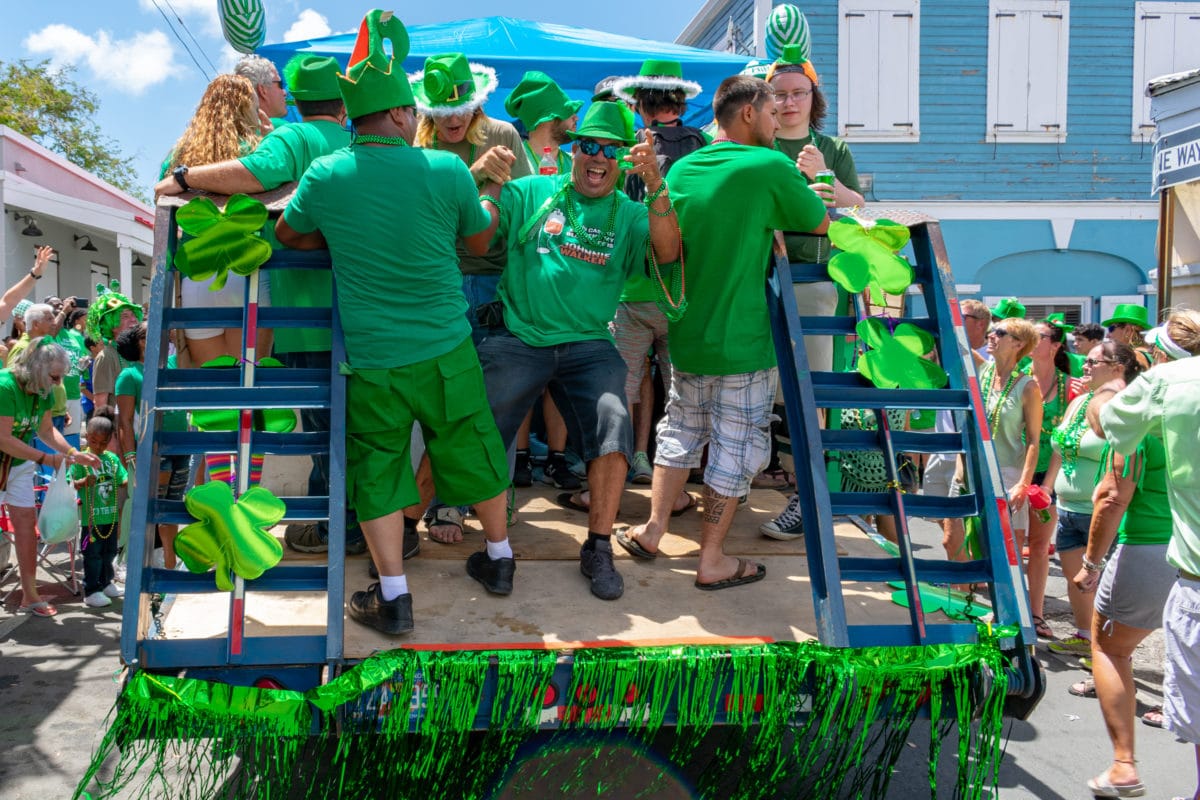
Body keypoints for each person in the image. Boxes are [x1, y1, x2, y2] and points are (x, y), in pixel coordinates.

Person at [275, 9, 511, 636]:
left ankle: (395, 597)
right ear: (404, 114)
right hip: (447, 346)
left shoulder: (327, 173)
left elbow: (288, 235)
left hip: (374, 355)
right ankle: (499, 559)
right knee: (473, 448)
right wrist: (487, 195)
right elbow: (481, 236)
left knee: (379, 468)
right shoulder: (445, 169)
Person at [616, 75, 829, 590]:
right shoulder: (770, 166)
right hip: (743, 339)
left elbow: (669, 248)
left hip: (689, 331)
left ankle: (652, 529)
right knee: (734, 446)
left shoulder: (686, 167)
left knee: (679, 431)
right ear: (750, 113)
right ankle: (712, 559)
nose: (780, 122)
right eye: (774, 112)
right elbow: (818, 223)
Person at [153, 55, 363, 556]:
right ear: (252, 100)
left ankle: (221, 507)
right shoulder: (263, 144)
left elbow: (164, 200)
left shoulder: (183, 153)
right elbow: (267, 181)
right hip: (254, 279)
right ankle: (248, 509)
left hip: (201, 282)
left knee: (217, 407)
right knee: (253, 397)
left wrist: (184, 180)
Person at [471, 100, 679, 600]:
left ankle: (599, 547)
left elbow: (669, 253)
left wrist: (656, 186)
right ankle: (419, 519)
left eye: (610, 149)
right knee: (472, 426)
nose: (598, 157)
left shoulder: (631, 213)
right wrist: (485, 182)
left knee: (614, 423)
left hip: (589, 342)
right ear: (571, 151)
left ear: (623, 160)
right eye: (588, 145)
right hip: (519, 336)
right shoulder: (530, 191)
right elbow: (477, 241)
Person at [409, 52, 543, 536]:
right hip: (438, 283)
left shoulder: (504, 134)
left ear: (477, 101)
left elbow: (529, 203)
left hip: (492, 281)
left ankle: (486, 500)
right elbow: (422, 215)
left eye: (461, 105)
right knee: (439, 399)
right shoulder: (416, 147)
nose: (452, 117)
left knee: (493, 401)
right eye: (441, 109)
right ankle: (440, 498)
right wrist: (477, 174)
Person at [759, 45, 866, 539]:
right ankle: (741, 487)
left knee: (810, 393)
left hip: (813, 281)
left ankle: (807, 495)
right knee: (756, 389)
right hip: (754, 277)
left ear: (812, 96)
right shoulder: (756, 143)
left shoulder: (833, 148)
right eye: (777, 94)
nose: (787, 102)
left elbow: (858, 207)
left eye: (797, 92)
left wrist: (821, 174)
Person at [1098, 308, 1200, 800]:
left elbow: (1109, 432)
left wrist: (1105, 393)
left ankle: (1123, 766)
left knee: (1109, 645)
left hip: (1184, 567)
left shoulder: (1164, 382)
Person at [502, 70, 582, 492]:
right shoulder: (512, 158)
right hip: (520, 282)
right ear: (550, 117)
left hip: (564, 281)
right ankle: (517, 459)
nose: (575, 119)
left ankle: (554, 458)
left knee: (558, 376)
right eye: (568, 113)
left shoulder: (573, 162)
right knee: (522, 376)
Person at [158, 73, 267, 369]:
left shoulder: (178, 158)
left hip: (200, 276)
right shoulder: (257, 152)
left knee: (212, 387)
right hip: (248, 273)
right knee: (249, 381)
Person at [1040, 341, 1141, 657]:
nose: (1084, 365)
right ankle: (1085, 638)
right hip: (1068, 508)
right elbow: (1060, 447)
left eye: (1093, 361)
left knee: (1105, 588)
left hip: (1101, 512)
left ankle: (1107, 651)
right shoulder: (1080, 401)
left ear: (1116, 368)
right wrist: (1046, 488)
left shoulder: (1124, 406)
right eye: (1085, 361)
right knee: (1076, 582)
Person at [0, 340, 102, 617]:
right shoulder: (5, 386)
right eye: (54, 377)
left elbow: (46, 431)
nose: (58, 384)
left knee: (25, 524)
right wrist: (45, 459)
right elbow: (3, 438)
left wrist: (72, 453)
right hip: (7, 458)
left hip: (17, 464)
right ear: (35, 368)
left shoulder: (42, 389)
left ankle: (29, 596)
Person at [979, 317, 1045, 632]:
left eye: (1000, 332)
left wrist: (1024, 483)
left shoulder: (1027, 386)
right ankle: (997, 608)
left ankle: (1011, 614)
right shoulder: (984, 374)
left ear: (1018, 344)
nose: (991, 335)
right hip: (980, 468)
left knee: (1009, 548)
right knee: (982, 542)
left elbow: (1034, 440)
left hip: (1009, 473)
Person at [113, 323, 191, 569]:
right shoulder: (130, 374)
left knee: (174, 505)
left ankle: (169, 561)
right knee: (154, 509)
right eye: (149, 332)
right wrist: (130, 457)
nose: (160, 334)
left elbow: (185, 348)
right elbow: (124, 421)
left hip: (181, 446)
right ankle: (144, 563)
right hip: (155, 449)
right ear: (139, 343)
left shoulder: (173, 364)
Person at [71, 409, 128, 608]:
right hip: (90, 521)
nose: (98, 446)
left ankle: (106, 583)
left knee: (110, 552)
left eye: (104, 443)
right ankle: (91, 590)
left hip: (110, 518)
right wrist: (84, 480)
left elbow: (123, 479)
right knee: (91, 554)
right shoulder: (80, 459)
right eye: (94, 441)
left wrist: (132, 478)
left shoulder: (111, 459)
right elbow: (71, 484)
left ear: (110, 440)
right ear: (87, 437)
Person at [234, 54, 290, 134]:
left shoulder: (232, 135)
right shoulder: (282, 129)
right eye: (280, 85)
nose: (284, 92)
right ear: (263, 90)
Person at [1102, 303, 1153, 371]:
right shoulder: (1151, 354)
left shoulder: (1133, 357)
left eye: (1111, 328)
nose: (1107, 335)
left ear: (1127, 330)